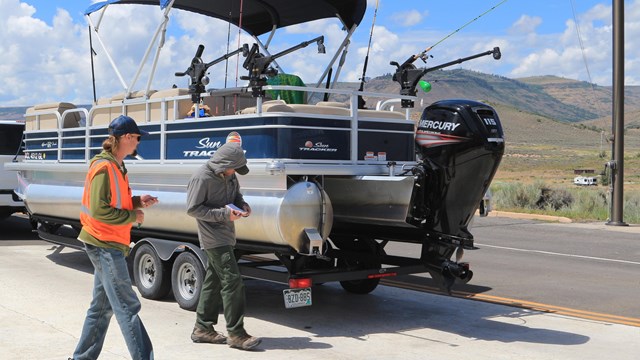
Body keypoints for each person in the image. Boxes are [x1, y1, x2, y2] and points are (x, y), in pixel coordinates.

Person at [71, 115, 158, 360]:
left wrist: (138, 201)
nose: (138, 143)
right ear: (127, 137)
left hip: (110, 242)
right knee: (127, 307)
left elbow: (113, 202)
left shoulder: (117, 166)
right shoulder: (104, 167)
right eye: (137, 138)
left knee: (101, 308)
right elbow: (99, 211)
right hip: (103, 243)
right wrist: (132, 216)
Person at [186, 141, 261, 351]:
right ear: (224, 163)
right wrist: (224, 214)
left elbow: (236, 194)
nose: (234, 172)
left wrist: (242, 205)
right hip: (213, 238)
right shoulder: (201, 177)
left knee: (215, 281)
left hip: (227, 234)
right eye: (233, 168)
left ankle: (202, 328)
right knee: (233, 281)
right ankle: (236, 334)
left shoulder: (229, 174)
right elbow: (193, 209)